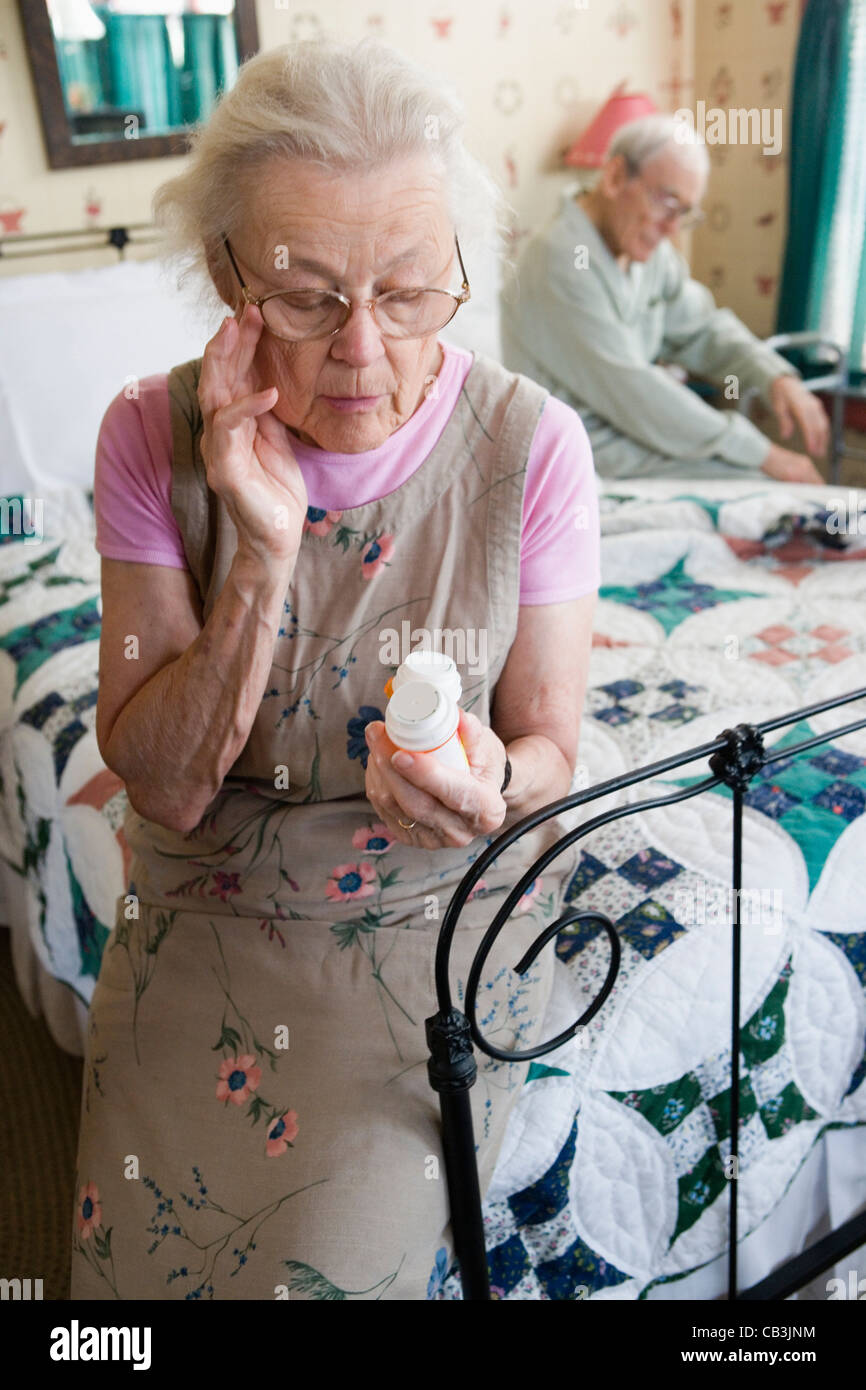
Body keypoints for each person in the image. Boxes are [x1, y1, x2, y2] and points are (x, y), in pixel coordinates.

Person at [70, 38, 600, 1301]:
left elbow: (549, 749)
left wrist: (492, 774)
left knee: (328, 1273)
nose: (363, 350)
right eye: (306, 297)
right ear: (226, 276)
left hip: (419, 921)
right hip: (203, 908)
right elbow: (161, 786)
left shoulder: (532, 447)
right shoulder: (149, 434)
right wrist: (258, 547)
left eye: (410, 290)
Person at [500, 114, 828, 485]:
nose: (673, 228)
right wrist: (763, 453)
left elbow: (702, 329)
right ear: (615, 177)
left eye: (685, 212)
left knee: (769, 485)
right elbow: (635, 391)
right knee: (763, 484)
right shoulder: (560, 258)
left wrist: (773, 376)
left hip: (633, 437)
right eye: (667, 203)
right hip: (582, 454)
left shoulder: (648, 253)